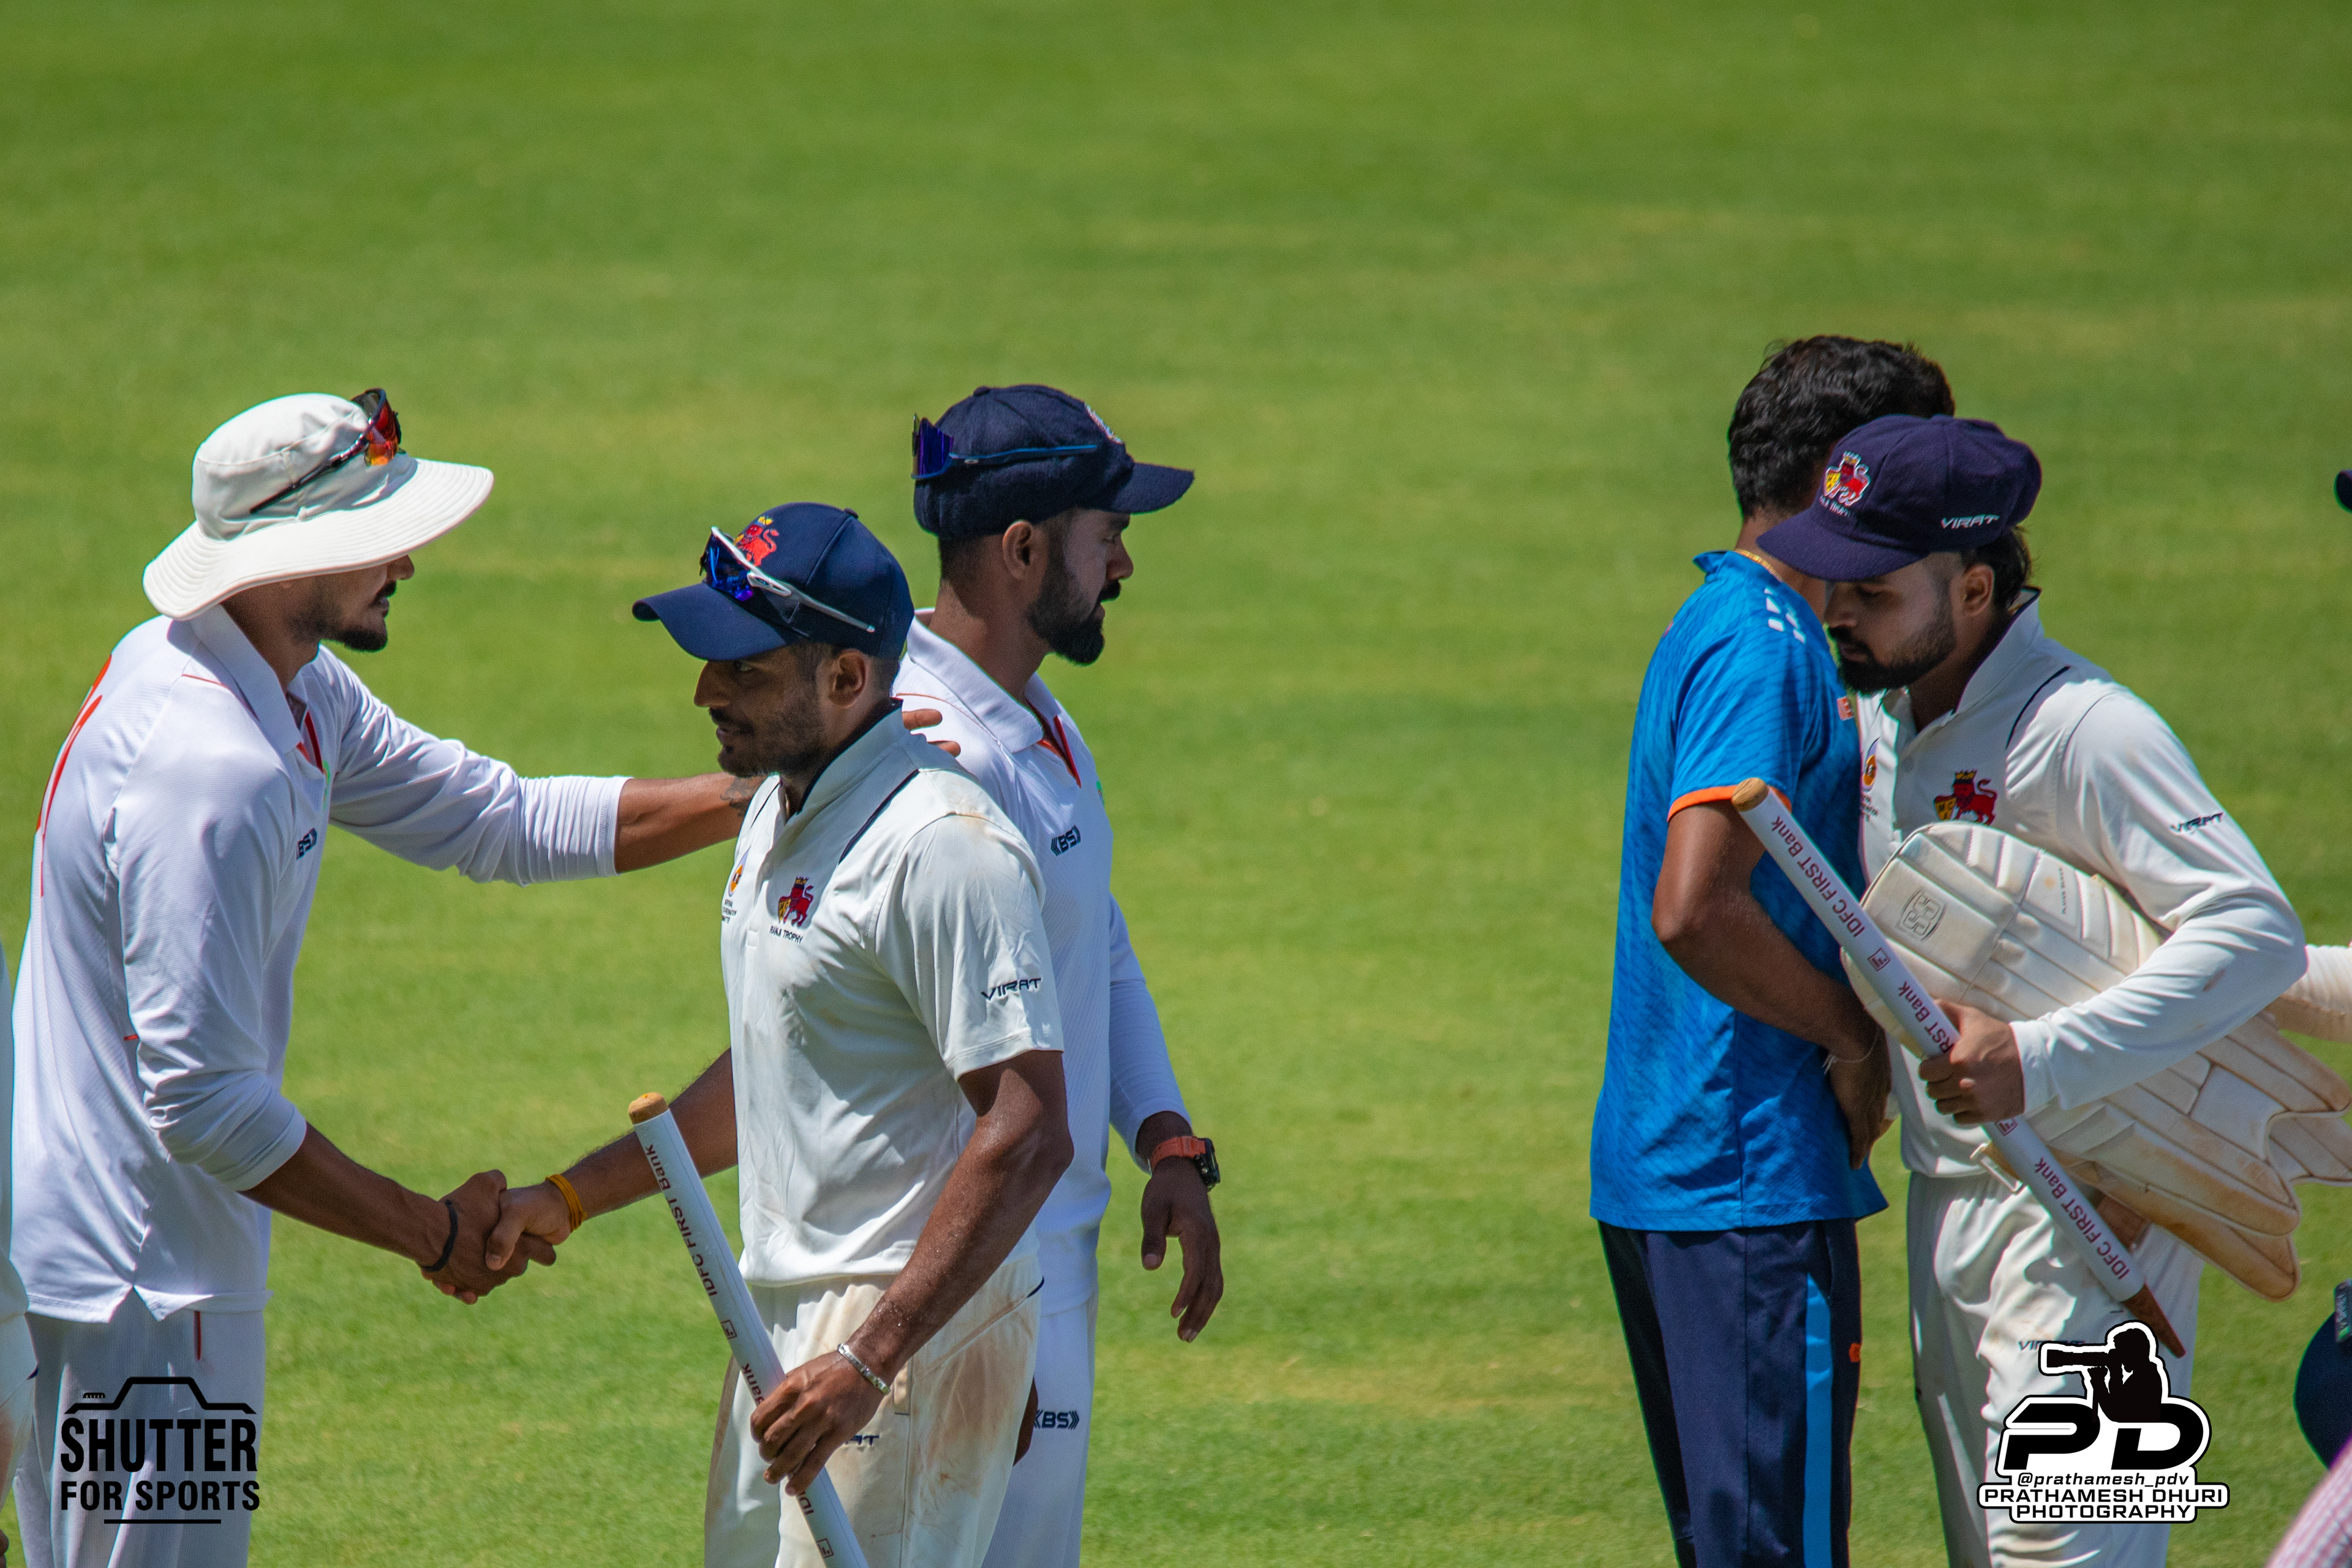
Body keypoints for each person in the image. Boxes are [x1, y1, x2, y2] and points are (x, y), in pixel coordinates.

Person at [10, 391, 758, 1568]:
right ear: (288, 552)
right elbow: (203, 1104)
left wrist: (761, 789)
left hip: (124, 1269)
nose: (406, 559)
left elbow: (495, 818)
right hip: (146, 1294)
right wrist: (432, 1233)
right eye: (380, 535)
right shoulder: (213, 771)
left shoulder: (260, 676)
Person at [1759, 411, 2305, 1567]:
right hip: (1952, 1205)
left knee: (2063, 1555)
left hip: (2101, 1208)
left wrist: (2040, 1061)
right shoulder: (1880, 715)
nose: (1839, 610)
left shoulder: (2086, 730)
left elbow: (2255, 931)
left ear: (1974, 589)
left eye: (1874, 589)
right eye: (1836, 581)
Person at [490, 504, 1072, 1568]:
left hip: (893, 1328)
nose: (705, 692)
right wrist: (569, 1197)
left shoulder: (944, 846)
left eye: (743, 669)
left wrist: (878, 1358)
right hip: (790, 1320)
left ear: (847, 678)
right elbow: (782, 1069)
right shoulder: (778, 805)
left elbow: (1029, 1130)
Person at [1594, 336, 1955, 1568]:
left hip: (1690, 1168)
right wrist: (1853, 1039)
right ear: (1846, 475)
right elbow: (1695, 907)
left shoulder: (1726, 615)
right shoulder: (1769, 644)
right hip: (1747, 1177)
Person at [893, 383, 1223, 1568]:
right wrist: (978, 1319)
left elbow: (1095, 937)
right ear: (1024, 549)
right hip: (985, 1275)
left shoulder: (1037, 719)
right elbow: (936, 1053)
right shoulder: (936, 758)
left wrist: (1166, 1137)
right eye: (1108, 535)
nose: (1125, 564)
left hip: (1046, 1260)